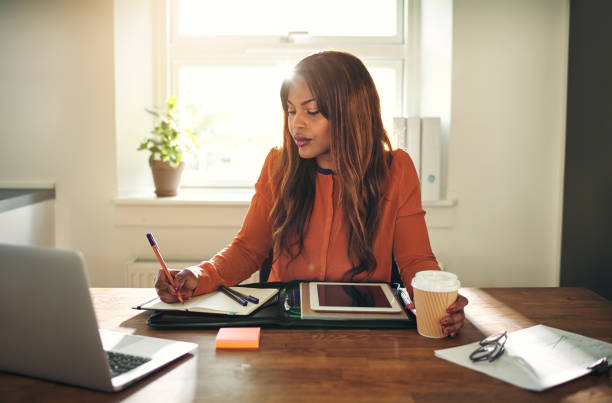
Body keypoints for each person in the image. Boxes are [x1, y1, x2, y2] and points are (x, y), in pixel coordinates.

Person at [154, 51, 468, 337]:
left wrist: (442, 302)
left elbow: (416, 259)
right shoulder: (278, 165)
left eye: (312, 111)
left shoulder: (396, 169)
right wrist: (198, 274)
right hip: (284, 325)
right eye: (291, 111)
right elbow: (248, 249)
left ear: (351, 114)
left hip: (366, 330)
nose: (296, 124)